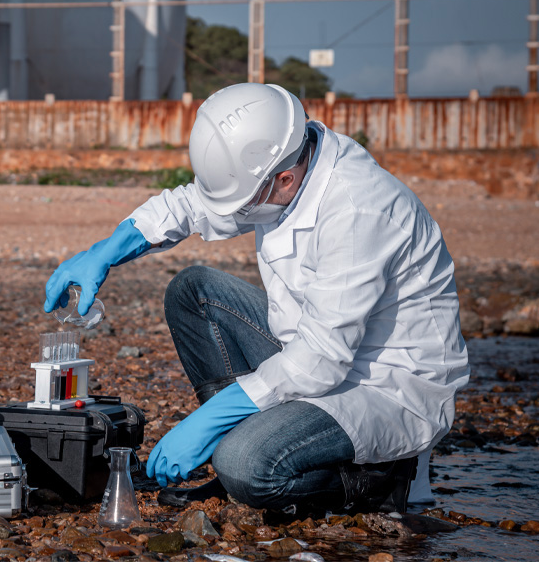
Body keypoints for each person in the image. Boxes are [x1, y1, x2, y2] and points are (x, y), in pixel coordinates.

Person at [43, 83, 469, 515]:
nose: (235, 214)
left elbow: (322, 360)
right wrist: (107, 250)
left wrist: (209, 420)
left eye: (243, 203)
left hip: (387, 386)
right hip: (317, 350)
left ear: (285, 179)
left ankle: (388, 477)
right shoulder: (287, 166)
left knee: (246, 465)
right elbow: (193, 206)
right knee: (194, 292)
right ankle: (258, 436)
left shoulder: (359, 211)